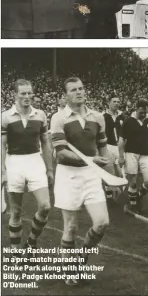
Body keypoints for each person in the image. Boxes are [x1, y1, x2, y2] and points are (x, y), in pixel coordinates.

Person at [50, 77, 114, 285]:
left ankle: (81, 257)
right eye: (73, 90)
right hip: (68, 175)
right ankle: (70, 273)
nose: (79, 92)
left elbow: (103, 148)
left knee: (102, 222)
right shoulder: (59, 118)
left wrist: (113, 177)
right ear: (65, 95)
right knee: (70, 227)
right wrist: (91, 159)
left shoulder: (97, 117)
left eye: (81, 88)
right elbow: (60, 155)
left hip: (91, 174)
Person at [2, 79, 53, 250]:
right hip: (14, 161)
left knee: (45, 206)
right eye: (23, 93)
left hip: (35, 161)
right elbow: (1, 145)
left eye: (29, 93)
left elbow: (45, 142)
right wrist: (2, 171)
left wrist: (50, 169)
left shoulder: (40, 114)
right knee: (16, 211)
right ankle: (16, 253)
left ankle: (31, 243)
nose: (27, 96)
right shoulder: (6, 116)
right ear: (15, 94)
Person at [118, 99, 148, 214]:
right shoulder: (128, 121)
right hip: (131, 153)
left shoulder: (146, 120)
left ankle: (139, 195)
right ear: (136, 110)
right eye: (141, 112)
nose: (143, 114)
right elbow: (121, 140)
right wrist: (121, 156)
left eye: (145, 112)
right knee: (133, 181)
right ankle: (133, 205)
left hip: (145, 154)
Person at [103, 95, 122, 199]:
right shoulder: (103, 116)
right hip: (108, 146)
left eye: (118, 101)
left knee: (120, 174)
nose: (116, 103)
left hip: (119, 147)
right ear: (109, 103)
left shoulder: (122, 116)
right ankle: (109, 194)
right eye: (114, 101)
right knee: (108, 171)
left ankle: (117, 192)